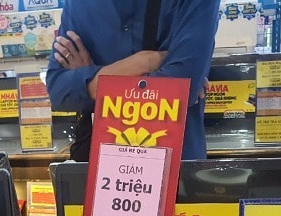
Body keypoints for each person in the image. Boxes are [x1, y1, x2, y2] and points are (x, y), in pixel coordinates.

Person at [46, 0, 221, 161]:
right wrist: (146, 62)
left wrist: (97, 80)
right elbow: (58, 90)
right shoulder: (79, 4)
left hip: (174, 160)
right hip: (100, 162)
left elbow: (181, 87)